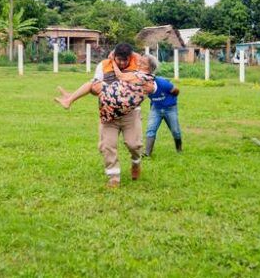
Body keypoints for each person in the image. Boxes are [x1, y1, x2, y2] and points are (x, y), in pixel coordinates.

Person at [56, 43, 155, 189]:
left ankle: (136, 162)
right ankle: (114, 177)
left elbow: (152, 79)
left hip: (130, 113)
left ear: (130, 57)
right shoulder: (104, 65)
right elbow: (95, 86)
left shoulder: (137, 63)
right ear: (113, 56)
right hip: (108, 112)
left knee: (134, 144)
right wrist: (97, 90)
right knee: (108, 145)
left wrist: (153, 88)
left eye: (124, 60)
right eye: (118, 59)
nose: (121, 62)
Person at [55, 54, 155, 123]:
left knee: (93, 83)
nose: (138, 63)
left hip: (116, 99)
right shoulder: (148, 77)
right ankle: (70, 97)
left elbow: (120, 75)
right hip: (122, 103)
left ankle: (69, 100)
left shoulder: (140, 76)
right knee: (93, 85)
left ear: (148, 67)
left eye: (142, 63)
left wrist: (113, 61)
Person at [143, 56, 183, 157]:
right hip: (155, 108)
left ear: (150, 68)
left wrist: (169, 100)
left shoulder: (162, 83)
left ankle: (179, 149)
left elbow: (176, 91)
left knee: (175, 131)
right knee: (150, 129)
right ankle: (147, 154)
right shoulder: (141, 83)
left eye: (143, 64)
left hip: (170, 109)